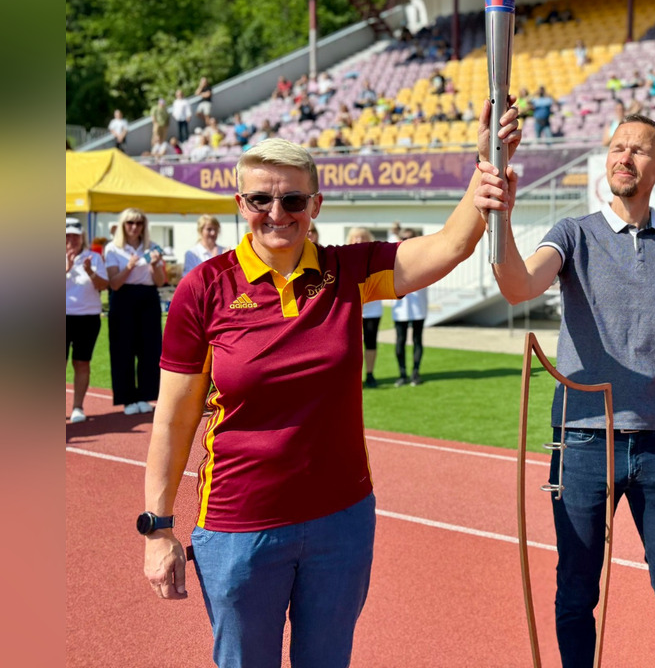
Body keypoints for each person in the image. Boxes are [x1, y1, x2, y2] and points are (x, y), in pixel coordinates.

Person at [142, 102, 522, 667]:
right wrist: (157, 529)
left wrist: (486, 161)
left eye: (293, 199)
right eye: (261, 200)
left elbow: (450, 246)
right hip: (241, 527)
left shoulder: (347, 271)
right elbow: (172, 420)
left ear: (315, 206)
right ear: (240, 204)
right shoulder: (205, 288)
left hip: (340, 522)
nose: (278, 213)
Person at [476, 112, 655, 668]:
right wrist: (499, 216)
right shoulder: (572, 233)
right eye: (617, 146)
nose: (624, 156)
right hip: (582, 443)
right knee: (576, 592)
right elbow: (517, 286)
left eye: (639, 150)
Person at [104, 208, 166, 416]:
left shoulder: (153, 247)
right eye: (130, 223)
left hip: (148, 298)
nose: (134, 227)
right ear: (123, 225)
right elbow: (114, 284)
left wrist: (156, 266)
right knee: (123, 349)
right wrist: (129, 266)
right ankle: (127, 397)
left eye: (138, 223)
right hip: (123, 298)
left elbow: (160, 281)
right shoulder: (112, 249)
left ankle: (145, 395)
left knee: (149, 349)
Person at [66, 221, 108, 423]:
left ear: (82, 237)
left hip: (88, 318)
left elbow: (103, 286)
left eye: (75, 235)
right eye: (66, 236)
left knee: (82, 363)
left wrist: (90, 271)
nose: (71, 240)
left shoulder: (95, 257)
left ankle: (77, 407)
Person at [347, 227, 384, 388]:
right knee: (351, 344)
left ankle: (369, 374)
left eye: (363, 237)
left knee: (370, 342)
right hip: (352, 309)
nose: (359, 240)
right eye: (356, 237)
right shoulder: (345, 258)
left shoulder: (376, 258)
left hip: (372, 309)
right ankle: (352, 376)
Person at [392, 229, 428, 387]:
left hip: (418, 307)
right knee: (400, 341)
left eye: (409, 238)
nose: (406, 241)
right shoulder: (394, 258)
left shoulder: (423, 257)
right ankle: (402, 374)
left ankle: (415, 373)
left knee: (417, 340)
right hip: (400, 309)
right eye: (403, 238)